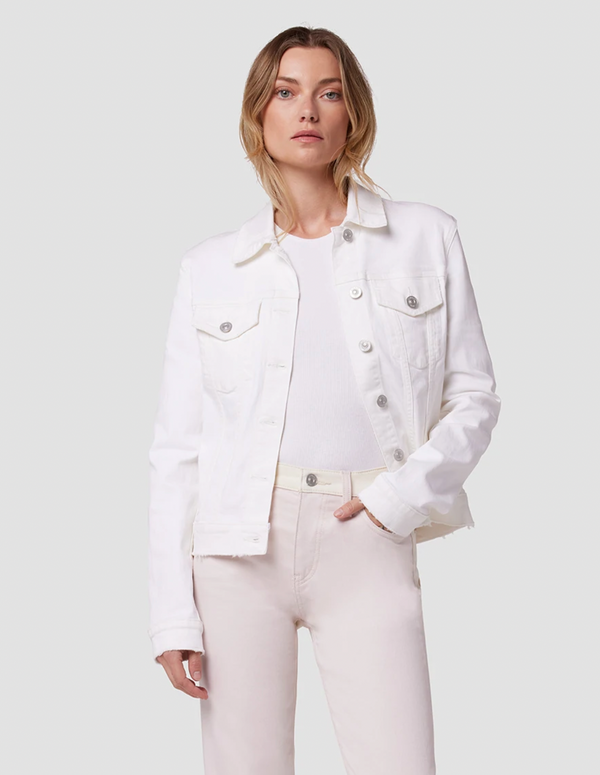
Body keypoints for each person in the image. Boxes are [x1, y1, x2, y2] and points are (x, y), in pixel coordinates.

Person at [147, 25, 501, 775]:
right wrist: (172, 612)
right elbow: (178, 451)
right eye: (286, 92)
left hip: (367, 531)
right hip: (238, 547)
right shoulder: (211, 267)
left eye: (328, 92)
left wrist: (397, 498)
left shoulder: (425, 236)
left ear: (352, 114)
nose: (307, 109)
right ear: (259, 114)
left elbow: (473, 397)